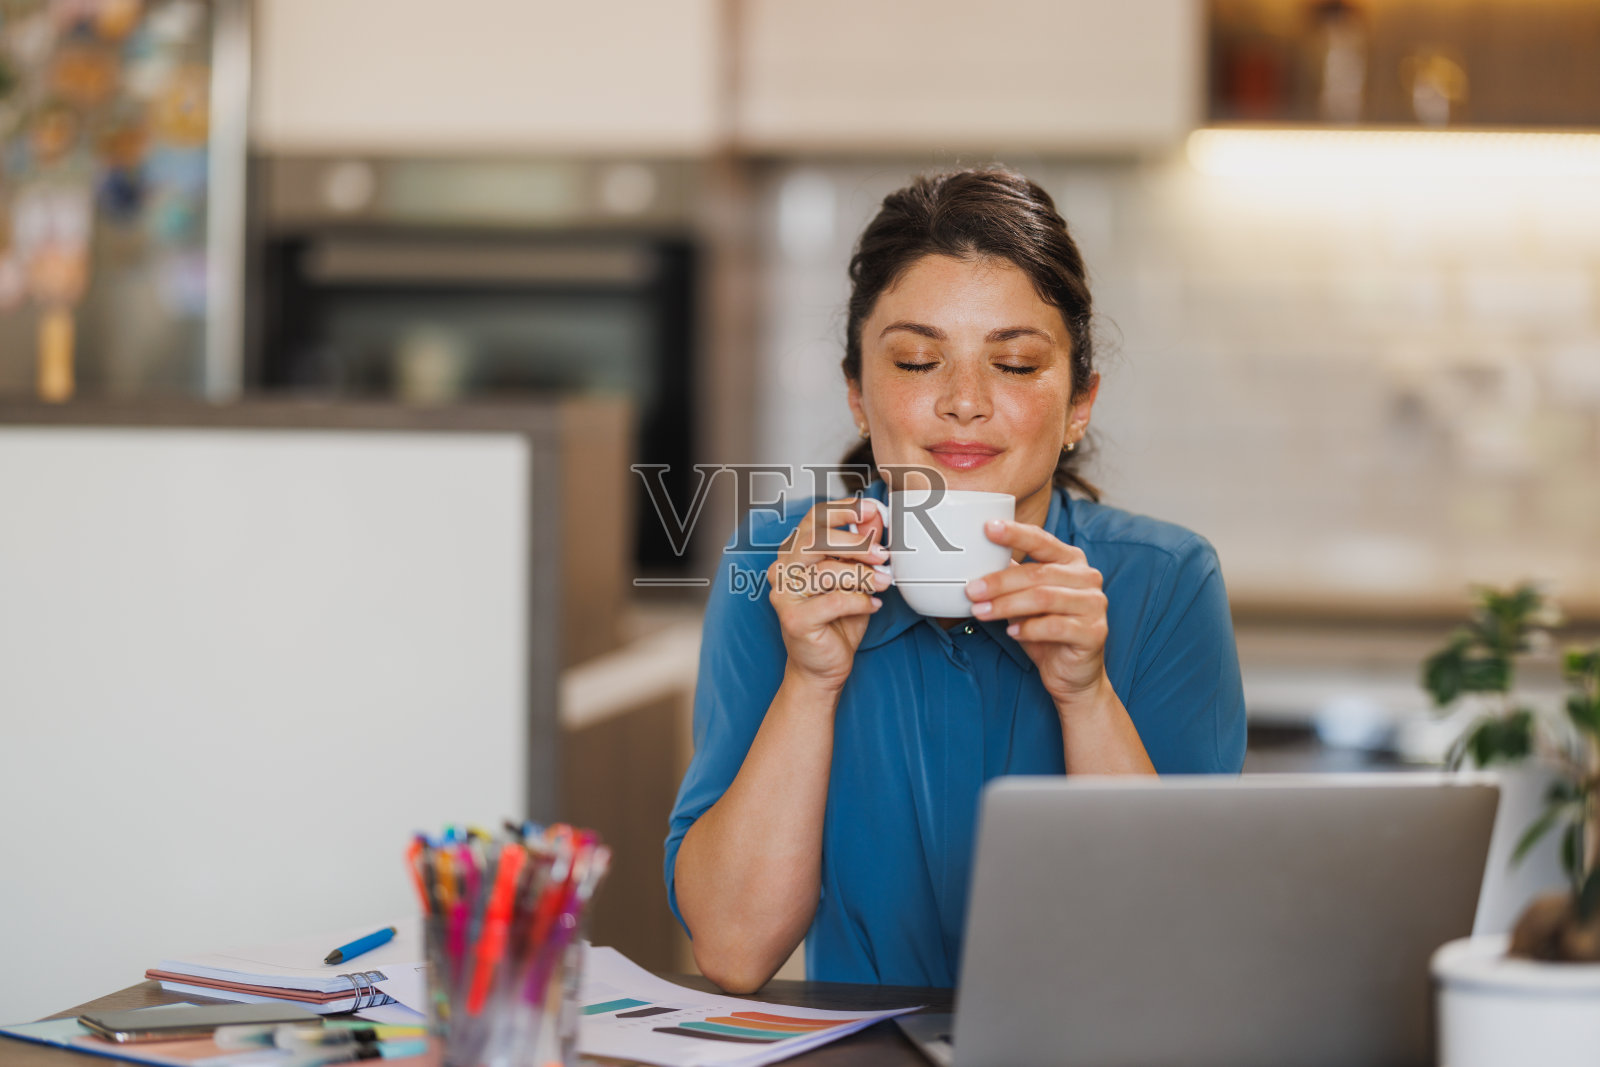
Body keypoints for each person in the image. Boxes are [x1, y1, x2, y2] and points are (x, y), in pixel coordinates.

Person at [664, 167, 1247, 994]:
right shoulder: (777, 568)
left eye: (1013, 364)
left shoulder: (1170, 580)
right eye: (916, 360)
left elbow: (1175, 955)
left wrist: (1087, 696)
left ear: (1079, 402)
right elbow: (733, 948)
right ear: (859, 396)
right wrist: (809, 680)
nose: (965, 401)